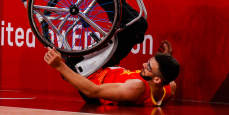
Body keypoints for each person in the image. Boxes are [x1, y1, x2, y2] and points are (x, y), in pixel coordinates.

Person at [45, 40, 179, 106]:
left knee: (61, 51)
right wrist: (167, 57)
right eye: (149, 61)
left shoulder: (137, 88)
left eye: (149, 66)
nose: (144, 65)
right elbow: (169, 76)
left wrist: (60, 66)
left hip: (91, 80)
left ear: (156, 80)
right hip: (109, 70)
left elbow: (93, 91)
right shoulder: (169, 87)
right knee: (129, 32)